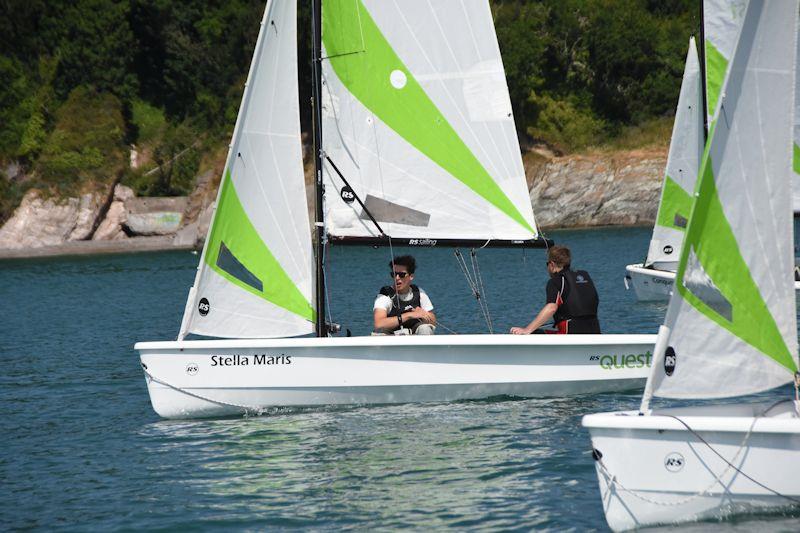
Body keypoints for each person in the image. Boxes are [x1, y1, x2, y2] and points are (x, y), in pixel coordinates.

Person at [510, 245, 601, 335]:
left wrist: (527, 330)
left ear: (552, 265)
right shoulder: (584, 277)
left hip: (571, 336)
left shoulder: (555, 281)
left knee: (533, 333)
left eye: (547, 264)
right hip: (595, 333)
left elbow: (551, 308)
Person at [373, 255, 436, 335]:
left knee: (425, 328)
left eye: (401, 275)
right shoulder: (385, 296)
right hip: (391, 335)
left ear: (411, 276)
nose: (397, 278)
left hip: (414, 334)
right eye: (394, 274)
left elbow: (433, 321)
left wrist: (424, 314)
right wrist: (409, 315)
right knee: (379, 333)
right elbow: (378, 324)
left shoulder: (419, 293)